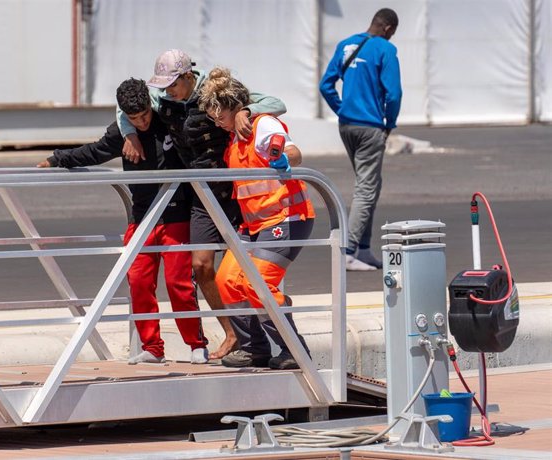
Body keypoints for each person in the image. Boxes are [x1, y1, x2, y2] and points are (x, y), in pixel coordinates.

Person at [116, 49, 287, 360]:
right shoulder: (162, 100)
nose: (167, 92)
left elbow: (276, 104)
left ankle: (265, 340)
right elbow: (125, 109)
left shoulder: (214, 91)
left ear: (187, 77)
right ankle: (232, 332)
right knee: (201, 265)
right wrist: (129, 133)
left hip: (233, 192)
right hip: (201, 195)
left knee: (244, 270)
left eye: (172, 85)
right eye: (164, 87)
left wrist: (245, 111)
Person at [38, 78, 209, 365]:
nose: (141, 122)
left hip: (177, 214)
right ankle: (153, 348)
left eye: (144, 115)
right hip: (142, 217)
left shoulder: (169, 118)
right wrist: (57, 159)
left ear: (150, 106)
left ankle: (196, 344)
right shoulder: (123, 131)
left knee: (178, 282)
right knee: (139, 281)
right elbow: (95, 151)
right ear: (124, 115)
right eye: (133, 118)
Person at [198, 67, 314, 370]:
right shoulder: (235, 138)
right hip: (255, 225)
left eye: (220, 117)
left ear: (235, 108)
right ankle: (254, 349)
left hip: (286, 218)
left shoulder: (261, 125)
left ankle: (294, 351)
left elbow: (291, 149)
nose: (217, 124)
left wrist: (282, 157)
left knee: (258, 285)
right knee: (226, 282)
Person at [319, 8, 402, 271]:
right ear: (388, 29)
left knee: (371, 184)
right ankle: (348, 250)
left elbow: (326, 85)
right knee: (366, 189)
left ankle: (364, 250)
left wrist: (341, 108)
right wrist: (390, 123)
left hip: (347, 126)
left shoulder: (346, 44)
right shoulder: (385, 50)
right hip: (370, 127)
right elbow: (394, 94)